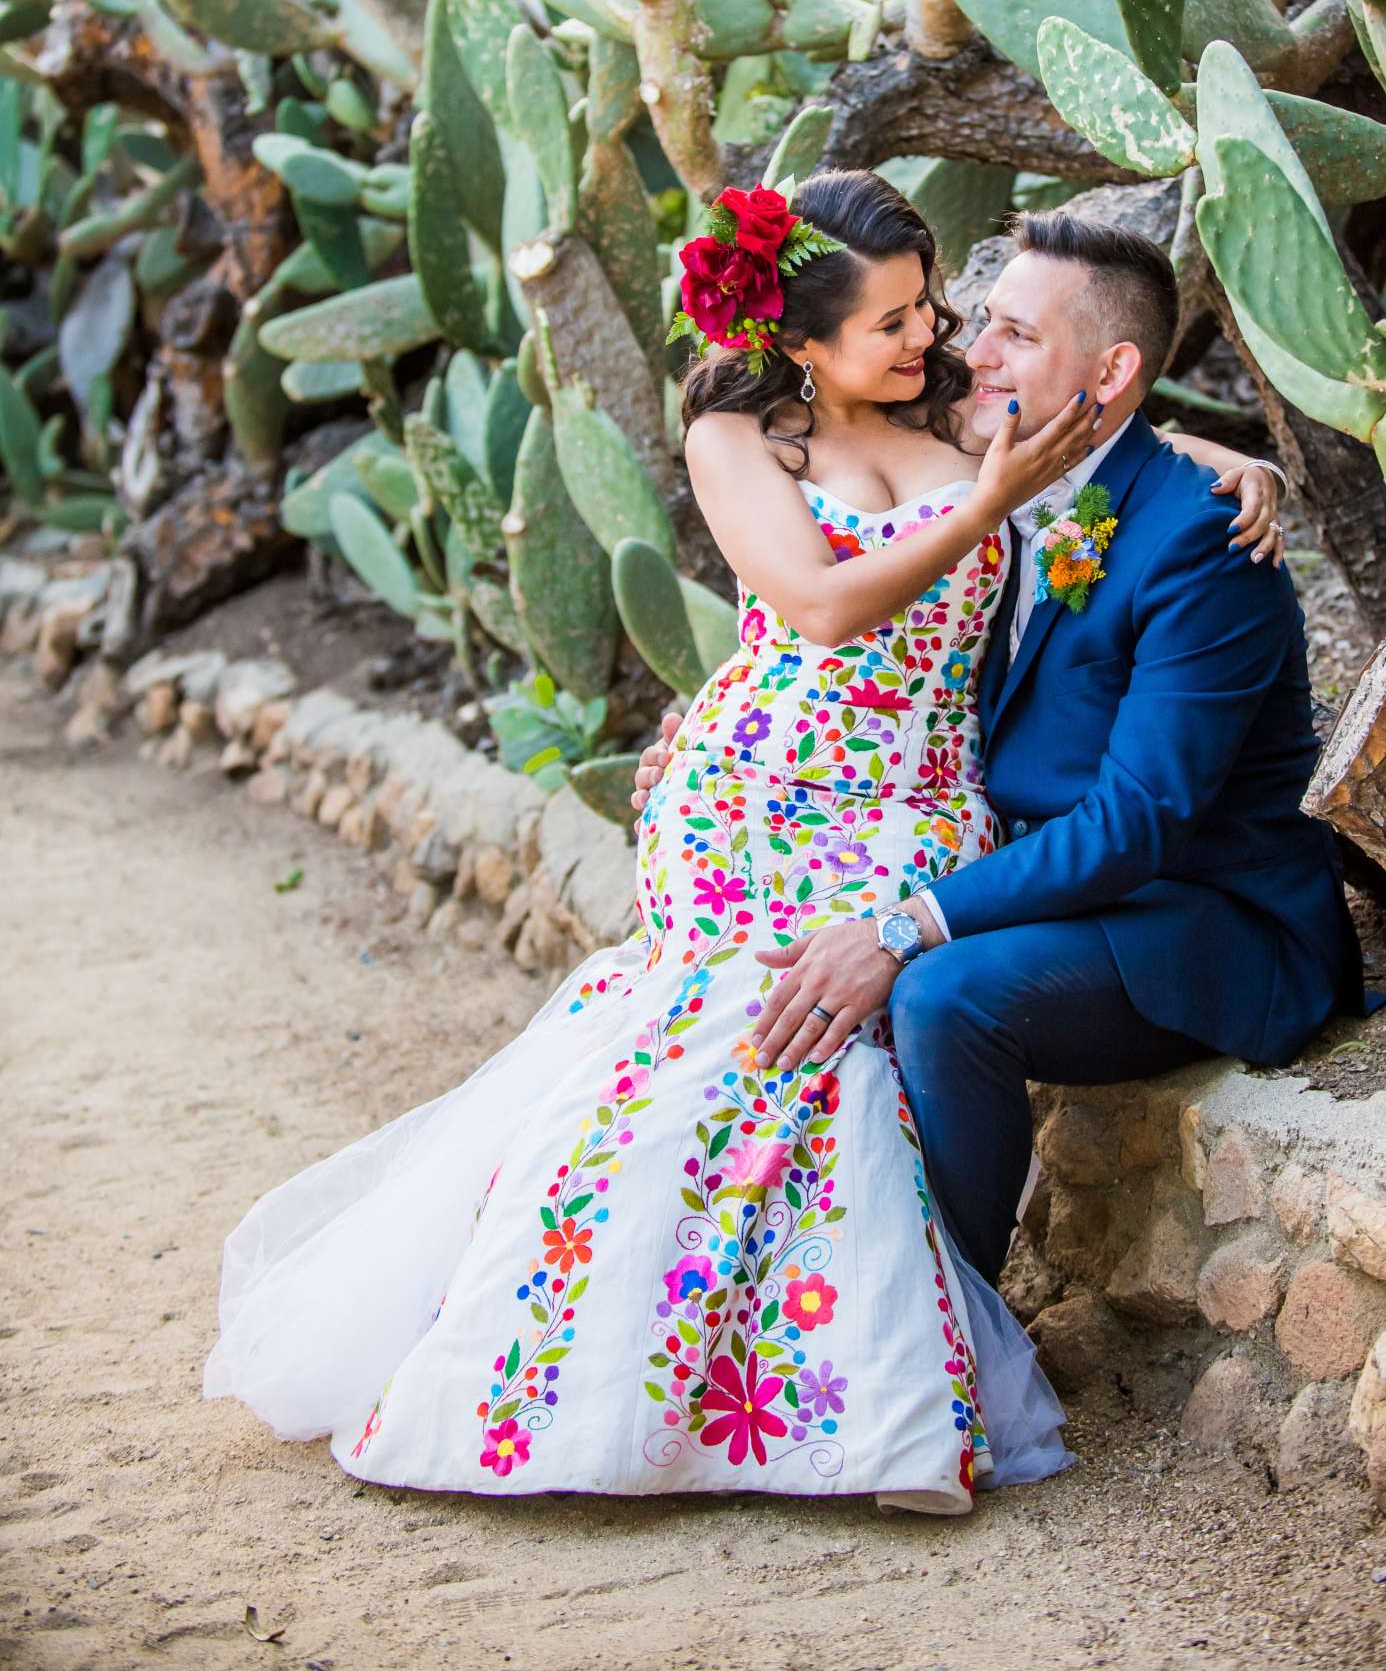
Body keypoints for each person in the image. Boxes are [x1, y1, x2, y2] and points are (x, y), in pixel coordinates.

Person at [203, 171, 1285, 1513]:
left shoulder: (941, 399)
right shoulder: (743, 435)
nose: (929, 334)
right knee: (735, 1054)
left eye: (929, 308)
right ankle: (590, 1369)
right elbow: (822, 610)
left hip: (920, 800)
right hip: (760, 800)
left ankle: (833, 1381)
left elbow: (1085, 420)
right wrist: (977, 507)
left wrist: (1225, 456)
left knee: (842, 1061)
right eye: (891, 319)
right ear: (799, 340)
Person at [640, 199, 1367, 1295]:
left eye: (1011, 335)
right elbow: (838, 616)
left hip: (1197, 913)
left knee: (936, 990)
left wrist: (903, 924)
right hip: (970, 849)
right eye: (971, 320)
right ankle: (733, 1304)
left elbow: (1139, 823)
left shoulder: (1202, 537)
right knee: (752, 1023)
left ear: (1109, 368)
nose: (959, 347)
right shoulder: (1002, 465)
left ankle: (951, 1336)